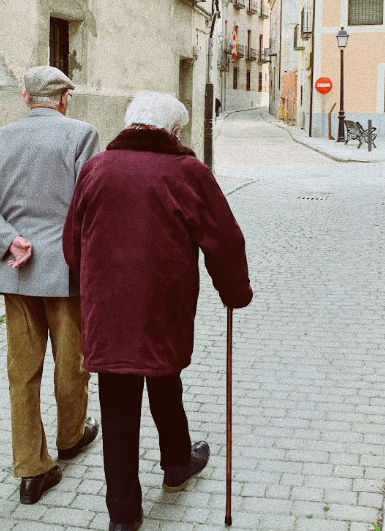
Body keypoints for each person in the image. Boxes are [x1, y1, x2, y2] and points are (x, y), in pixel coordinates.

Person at [63, 91, 252, 531]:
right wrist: (235, 291)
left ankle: (124, 516)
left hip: (108, 310)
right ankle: (176, 462)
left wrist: (89, 277)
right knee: (165, 378)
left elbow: (72, 243)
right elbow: (225, 239)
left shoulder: (96, 169)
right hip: (163, 304)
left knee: (117, 404)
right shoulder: (187, 170)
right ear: (173, 131)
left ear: (130, 125)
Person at [0, 65, 101, 505]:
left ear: (24, 97)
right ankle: (70, 437)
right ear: (64, 99)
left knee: (22, 372)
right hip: (67, 272)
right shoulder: (83, 134)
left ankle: (31, 469)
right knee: (71, 361)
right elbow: (90, 203)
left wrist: (8, 239)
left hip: (17, 271)